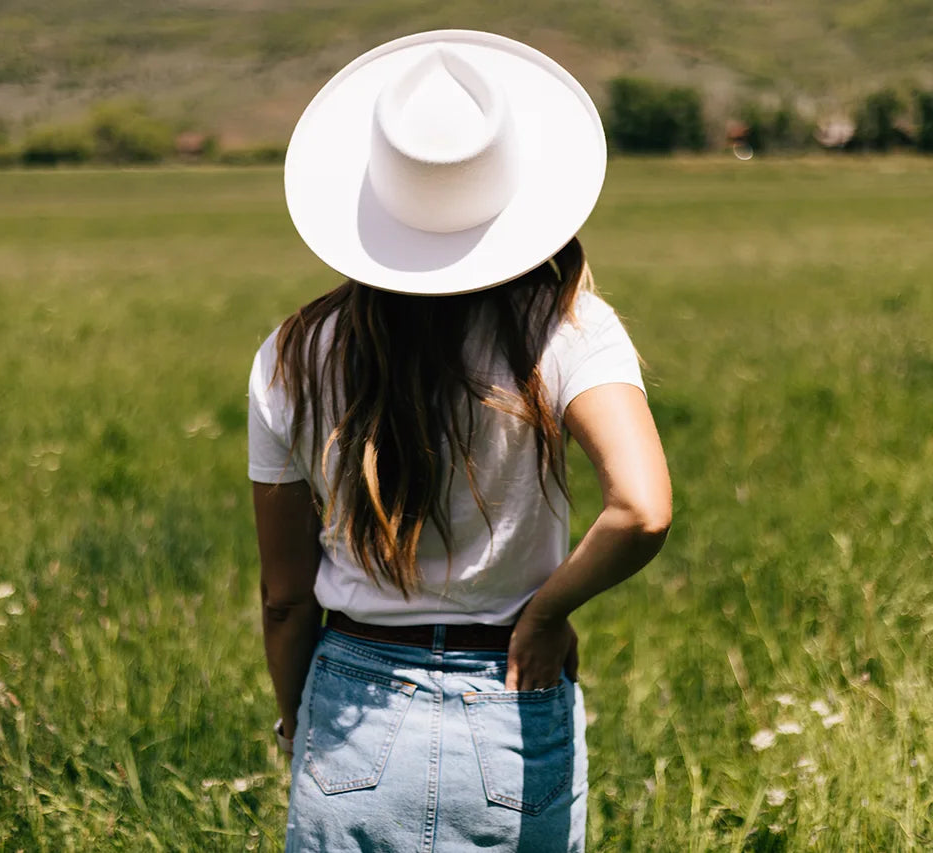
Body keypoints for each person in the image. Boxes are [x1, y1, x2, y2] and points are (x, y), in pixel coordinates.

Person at [248, 30, 671, 852]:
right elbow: (643, 507)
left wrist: (298, 717)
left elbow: (285, 597)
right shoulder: (566, 328)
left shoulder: (293, 355)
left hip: (353, 707)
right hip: (512, 697)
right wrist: (547, 614)